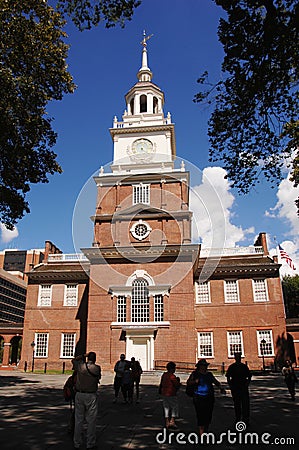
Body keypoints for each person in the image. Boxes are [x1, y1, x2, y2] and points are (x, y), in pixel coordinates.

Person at [187, 359, 225, 437]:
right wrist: (195, 382)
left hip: (209, 397)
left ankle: (206, 429)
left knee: (208, 414)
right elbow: (189, 382)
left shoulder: (209, 374)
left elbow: (216, 382)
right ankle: (201, 433)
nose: (204, 367)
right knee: (200, 414)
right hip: (198, 396)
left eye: (205, 366)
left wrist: (221, 388)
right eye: (203, 365)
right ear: (199, 366)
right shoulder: (195, 374)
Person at [72, 352, 101, 450]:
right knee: (91, 420)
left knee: (78, 420)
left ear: (88, 358)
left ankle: (77, 443)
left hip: (79, 394)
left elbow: (74, 360)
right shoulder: (97, 368)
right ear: (95, 359)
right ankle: (90, 443)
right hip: (91, 395)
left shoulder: (80, 366)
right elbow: (98, 377)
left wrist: (84, 355)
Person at [226, 353, 251, 425]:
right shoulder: (232, 367)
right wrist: (230, 385)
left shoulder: (243, 366)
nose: (238, 358)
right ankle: (238, 418)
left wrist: (247, 384)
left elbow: (249, 376)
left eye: (239, 357)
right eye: (237, 357)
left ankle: (245, 418)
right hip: (236, 387)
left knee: (245, 404)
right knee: (237, 404)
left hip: (243, 387)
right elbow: (228, 377)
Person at [158, 361, 181, 430]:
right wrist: (178, 382)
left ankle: (167, 422)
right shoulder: (172, 376)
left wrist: (160, 390)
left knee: (166, 407)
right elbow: (176, 385)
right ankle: (172, 421)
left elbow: (161, 383)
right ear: (172, 369)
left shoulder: (164, 375)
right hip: (171, 393)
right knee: (174, 407)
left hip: (164, 393)